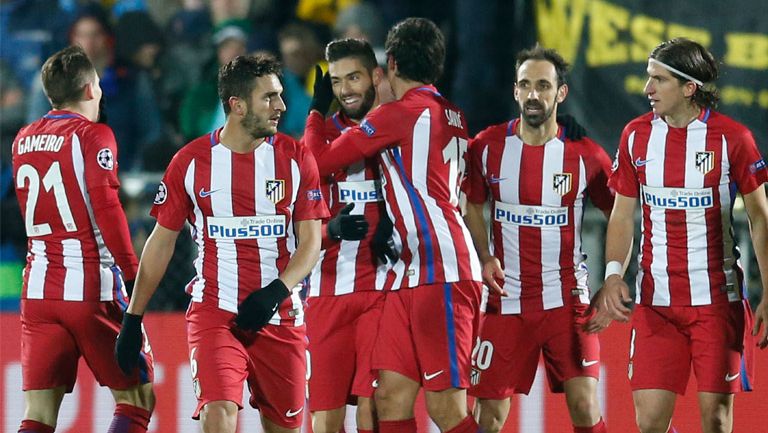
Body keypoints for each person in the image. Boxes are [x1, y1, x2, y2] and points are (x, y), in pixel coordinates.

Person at [114, 53, 328, 433]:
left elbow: (311, 243)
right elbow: (160, 244)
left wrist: (275, 291)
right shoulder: (191, 162)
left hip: (280, 316)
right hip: (216, 313)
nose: (280, 106)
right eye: (269, 97)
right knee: (218, 413)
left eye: (279, 95)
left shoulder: (296, 159)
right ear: (237, 105)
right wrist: (133, 317)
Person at [305, 17, 483, 433]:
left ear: (392, 65)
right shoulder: (452, 113)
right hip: (408, 271)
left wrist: (315, 112)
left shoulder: (399, 114)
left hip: (440, 268)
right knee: (390, 398)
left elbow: (319, 163)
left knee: (446, 409)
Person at [587, 38, 768, 433]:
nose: (646, 89)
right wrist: (614, 273)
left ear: (689, 88)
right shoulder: (636, 136)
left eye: (658, 80)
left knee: (716, 421)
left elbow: (760, 218)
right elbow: (622, 214)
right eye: (648, 78)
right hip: (657, 303)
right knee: (649, 422)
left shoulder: (732, 139)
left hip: (717, 304)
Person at [463, 45, 613, 433]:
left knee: (584, 404)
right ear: (514, 91)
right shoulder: (486, 147)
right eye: (525, 85)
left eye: (543, 86)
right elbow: (471, 206)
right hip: (505, 300)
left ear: (560, 94)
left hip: (566, 300)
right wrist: (483, 255)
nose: (533, 94)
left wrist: (613, 277)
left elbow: (622, 216)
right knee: (489, 417)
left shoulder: (587, 155)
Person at [12, 45, 154, 433]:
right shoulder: (94, 135)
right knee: (137, 398)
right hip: (91, 284)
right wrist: (132, 270)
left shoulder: (23, 138)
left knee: (38, 412)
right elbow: (107, 207)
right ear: (92, 89)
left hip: (39, 289)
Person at [303, 38, 395, 433]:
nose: (346, 90)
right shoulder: (317, 135)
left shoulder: (396, 130)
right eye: (337, 81)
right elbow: (297, 225)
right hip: (326, 292)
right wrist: (329, 230)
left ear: (376, 76)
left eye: (354, 77)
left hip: (381, 292)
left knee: (372, 413)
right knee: (326, 421)